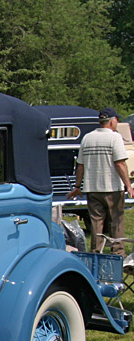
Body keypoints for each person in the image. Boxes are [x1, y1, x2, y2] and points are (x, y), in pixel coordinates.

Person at [66, 107, 134, 253]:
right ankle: (118, 253)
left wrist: (78, 186)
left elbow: (81, 166)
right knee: (116, 222)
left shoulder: (87, 138)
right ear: (112, 121)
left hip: (92, 188)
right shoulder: (114, 137)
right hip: (112, 188)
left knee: (97, 223)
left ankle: (96, 253)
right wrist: (129, 186)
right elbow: (120, 163)